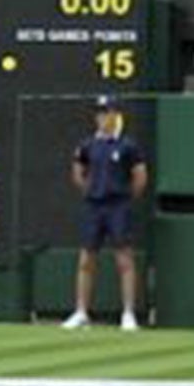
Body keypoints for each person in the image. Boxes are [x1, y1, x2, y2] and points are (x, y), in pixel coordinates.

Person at [65, 96, 148, 331]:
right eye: (99, 113)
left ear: (115, 115)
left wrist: (125, 197)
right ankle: (81, 312)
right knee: (86, 259)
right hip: (94, 206)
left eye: (106, 112)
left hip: (118, 206)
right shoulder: (88, 145)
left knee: (124, 260)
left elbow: (140, 177)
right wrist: (90, 190)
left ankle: (128, 314)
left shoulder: (128, 145)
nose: (102, 117)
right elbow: (78, 170)